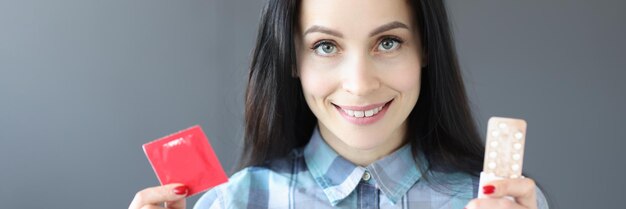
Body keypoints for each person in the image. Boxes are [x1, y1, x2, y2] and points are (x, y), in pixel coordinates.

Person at [129, 0, 549, 208]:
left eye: (388, 42)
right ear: (292, 57)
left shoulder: (495, 203)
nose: (360, 84)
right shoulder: (236, 203)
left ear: (425, 49)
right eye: (326, 46)